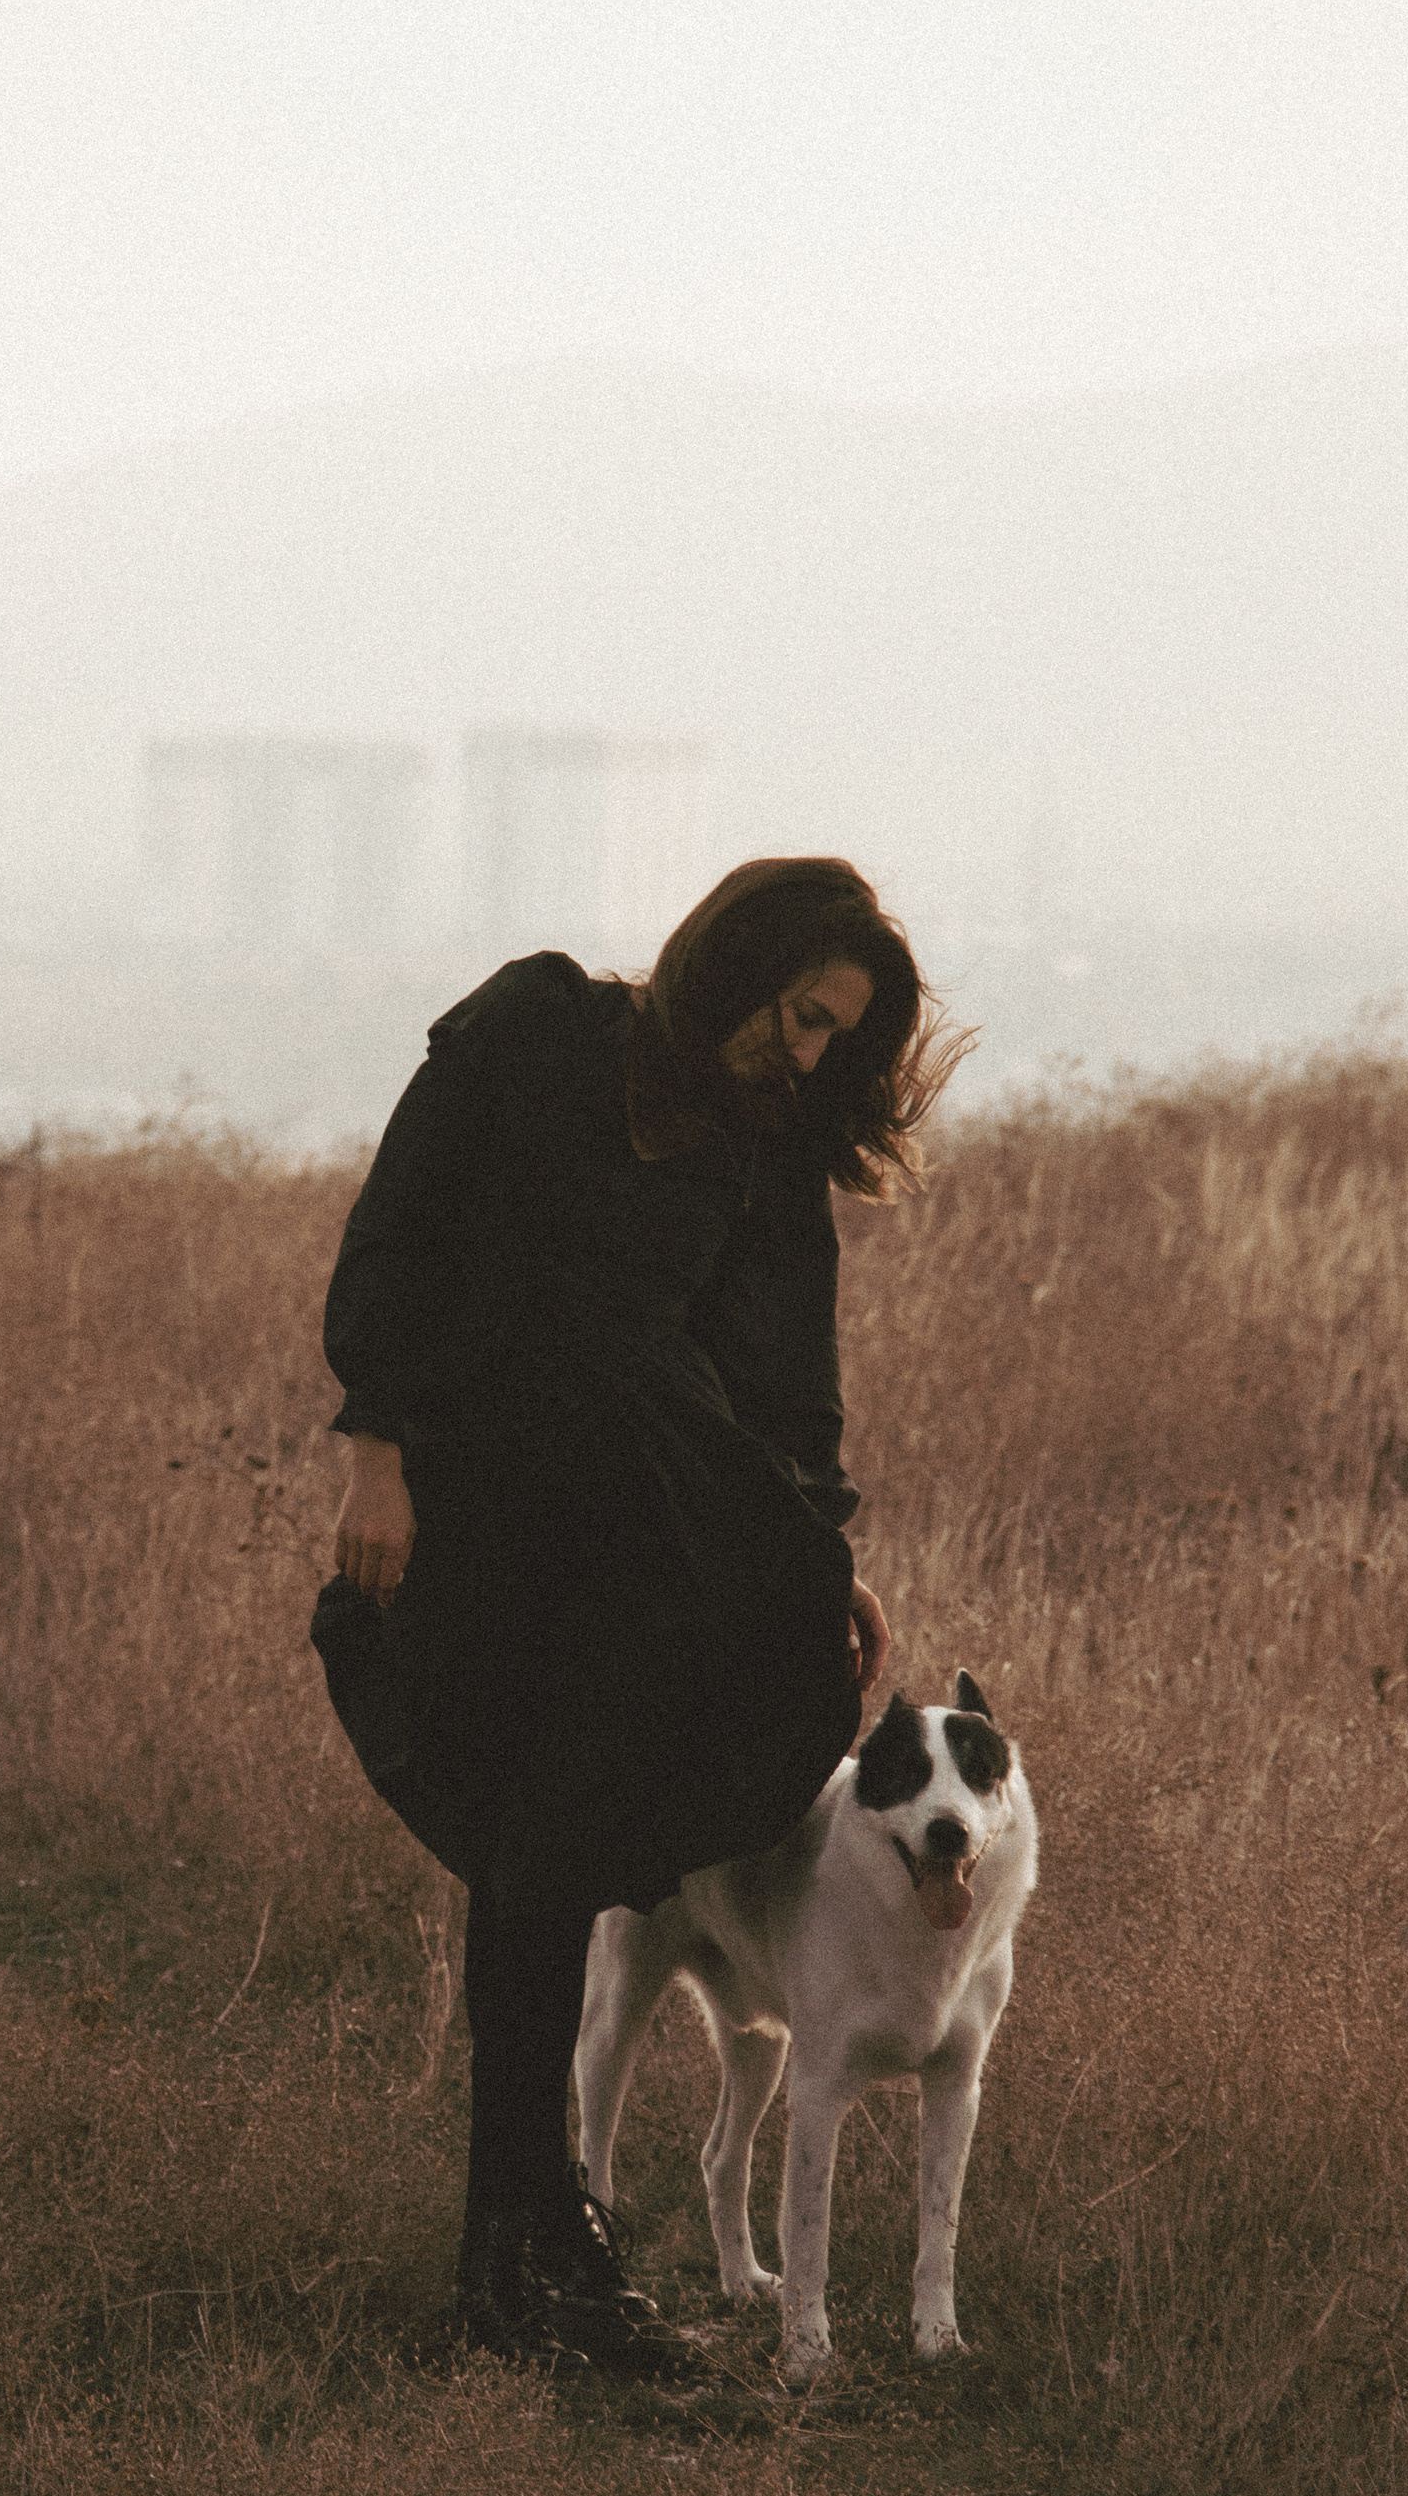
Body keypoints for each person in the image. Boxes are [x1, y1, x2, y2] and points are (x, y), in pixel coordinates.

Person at [308, 855, 963, 2382]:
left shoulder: (762, 1151)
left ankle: (525, 2252)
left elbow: (784, 1381)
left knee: (548, 1861)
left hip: (646, 1553)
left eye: (832, 1040)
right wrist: (377, 1455)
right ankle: (530, 2249)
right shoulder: (537, 1038)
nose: (804, 1058)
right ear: (733, 963)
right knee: (524, 1855)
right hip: (477, 1515)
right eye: (800, 1017)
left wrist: (818, 1557)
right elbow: (398, 1231)